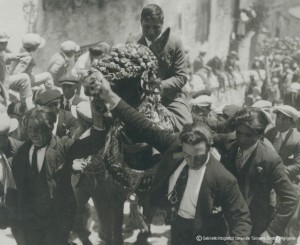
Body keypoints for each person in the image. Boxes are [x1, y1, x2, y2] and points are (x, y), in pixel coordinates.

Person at [85, 73, 252, 245]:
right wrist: (108, 94)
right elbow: (139, 124)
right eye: (187, 156)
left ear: (209, 147)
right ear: (181, 146)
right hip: (177, 230)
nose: (193, 163)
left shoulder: (224, 178)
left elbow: (242, 220)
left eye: (200, 157)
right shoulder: (174, 147)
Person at [11, 104, 106, 245]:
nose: (33, 133)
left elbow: (92, 144)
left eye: (38, 129)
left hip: (57, 219)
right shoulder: (21, 153)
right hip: (31, 220)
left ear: (49, 128)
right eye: (30, 129)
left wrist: (98, 117)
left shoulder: (64, 146)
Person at [222, 107, 299, 243]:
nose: (242, 139)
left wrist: (271, 232)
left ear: (259, 135)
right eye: (238, 133)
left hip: (257, 226)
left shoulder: (270, 159)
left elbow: (291, 198)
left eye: (249, 135)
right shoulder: (231, 148)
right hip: (230, 223)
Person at [135, 4, 192, 131]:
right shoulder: (133, 42)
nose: (151, 32)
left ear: (162, 23)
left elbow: (181, 77)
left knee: (187, 129)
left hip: (170, 97)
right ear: (141, 22)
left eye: (156, 27)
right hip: (139, 96)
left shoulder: (174, 42)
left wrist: (160, 85)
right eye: (146, 27)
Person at [70, 101, 112, 245]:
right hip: (83, 180)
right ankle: (85, 238)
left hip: (99, 181)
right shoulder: (79, 131)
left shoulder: (100, 134)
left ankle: (105, 239)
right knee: (74, 210)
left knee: (105, 216)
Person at [265, 105, 300, 183]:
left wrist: (280, 171)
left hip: (287, 180)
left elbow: (298, 165)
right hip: (266, 178)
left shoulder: (297, 139)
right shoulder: (270, 133)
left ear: (291, 122)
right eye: (278, 117)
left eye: (284, 119)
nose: (279, 121)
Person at [0, 32, 34, 109]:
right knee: (25, 78)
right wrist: (4, 98)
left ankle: (25, 104)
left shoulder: (1, 52)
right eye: (2, 43)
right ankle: (28, 106)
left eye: (6, 42)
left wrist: (20, 55)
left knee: (24, 77)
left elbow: (7, 56)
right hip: (2, 83)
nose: (5, 44)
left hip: (4, 80)